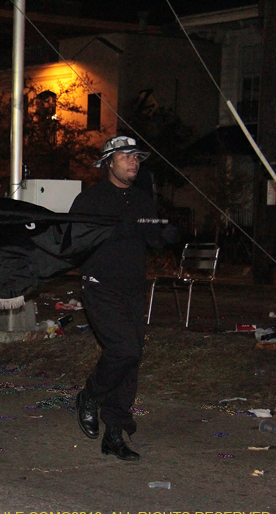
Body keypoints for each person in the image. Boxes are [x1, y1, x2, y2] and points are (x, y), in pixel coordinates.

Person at [71, 135, 171, 462]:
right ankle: (89, 396)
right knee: (124, 348)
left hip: (132, 288)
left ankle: (114, 432)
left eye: (136, 157)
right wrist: (115, 231)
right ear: (108, 163)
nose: (133, 161)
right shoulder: (91, 199)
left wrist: (164, 229)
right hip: (100, 285)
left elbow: (154, 234)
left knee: (131, 359)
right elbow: (75, 241)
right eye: (126, 156)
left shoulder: (141, 199)